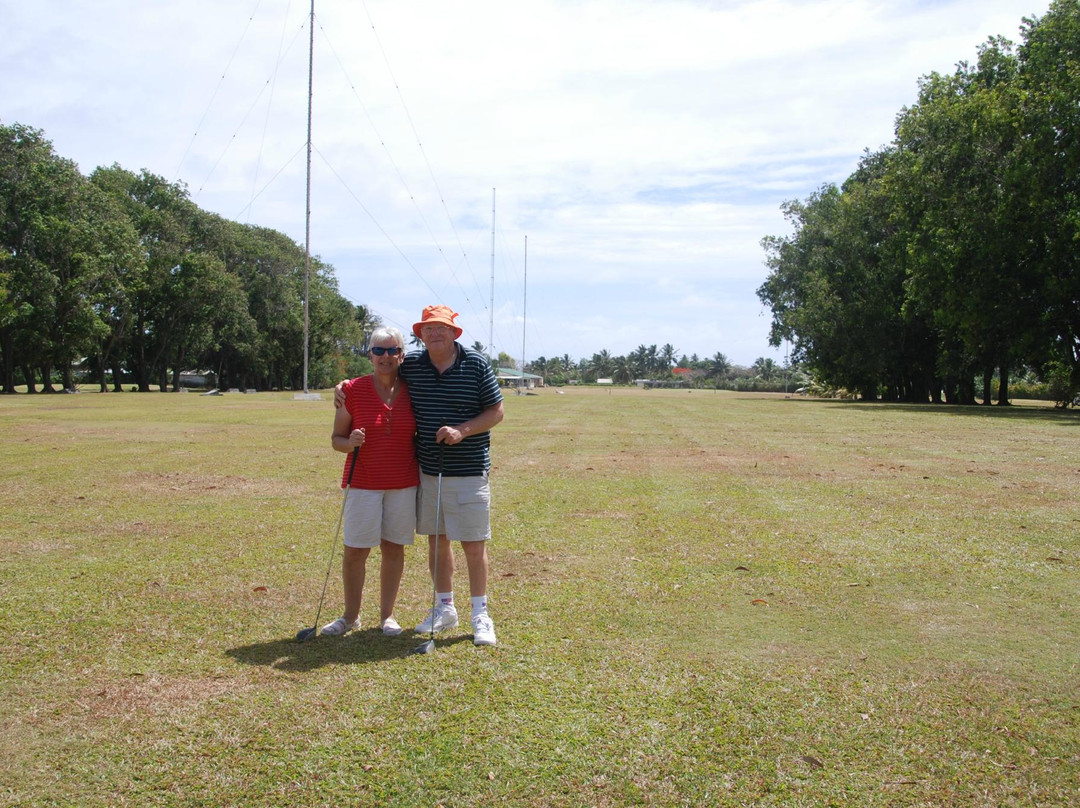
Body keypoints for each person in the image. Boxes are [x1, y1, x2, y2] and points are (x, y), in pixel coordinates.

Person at [336, 304, 504, 646]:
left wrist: (462, 430)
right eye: (429, 328)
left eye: (442, 327)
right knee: (437, 541)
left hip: (469, 470)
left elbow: (497, 411)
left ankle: (480, 614)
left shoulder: (475, 363)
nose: (435, 333)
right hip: (429, 471)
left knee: (473, 544)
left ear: (454, 332)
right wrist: (343, 385)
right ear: (421, 335)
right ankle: (445, 607)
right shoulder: (412, 364)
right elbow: (380, 373)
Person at [322, 326, 418, 637]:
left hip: (403, 483)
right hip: (362, 483)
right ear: (370, 355)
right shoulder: (352, 390)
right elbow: (336, 439)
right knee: (355, 551)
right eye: (379, 350)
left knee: (393, 548)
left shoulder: (414, 389)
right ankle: (350, 616)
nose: (385, 356)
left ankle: (387, 616)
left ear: (401, 355)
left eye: (392, 350)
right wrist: (350, 442)